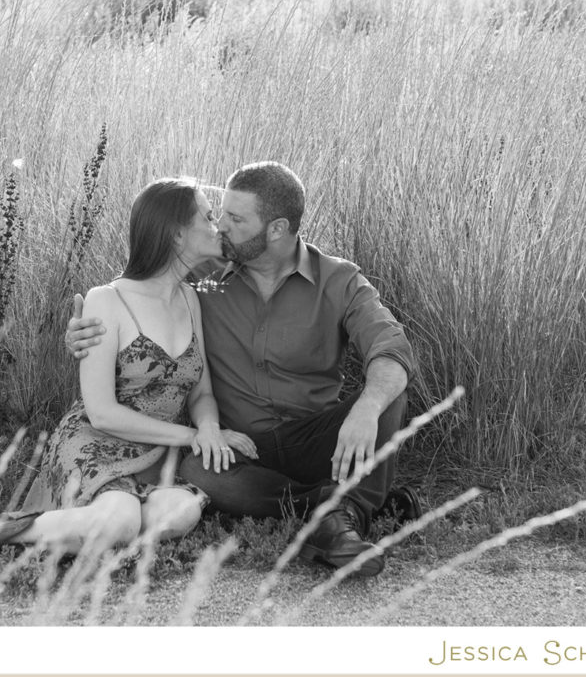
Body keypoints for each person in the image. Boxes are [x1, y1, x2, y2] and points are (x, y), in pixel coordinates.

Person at [66, 161, 417, 577]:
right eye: (220, 214)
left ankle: (340, 511)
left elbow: (393, 350)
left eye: (235, 218)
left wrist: (365, 409)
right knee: (195, 469)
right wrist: (86, 332)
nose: (221, 228)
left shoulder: (338, 281)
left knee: (389, 391)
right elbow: (138, 291)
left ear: (276, 229)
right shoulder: (202, 277)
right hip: (239, 447)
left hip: (314, 439)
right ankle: (337, 511)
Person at [0, 178, 256, 562]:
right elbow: (102, 413)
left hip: (155, 454)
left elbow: (201, 392)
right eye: (208, 216)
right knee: (120, 523)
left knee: (180, 513)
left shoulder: (190, 299)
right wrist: (191, 436)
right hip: (95, 442)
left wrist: (210, 429)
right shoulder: (107, 301)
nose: (216, 224)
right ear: (177, 235)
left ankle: (18, 525)